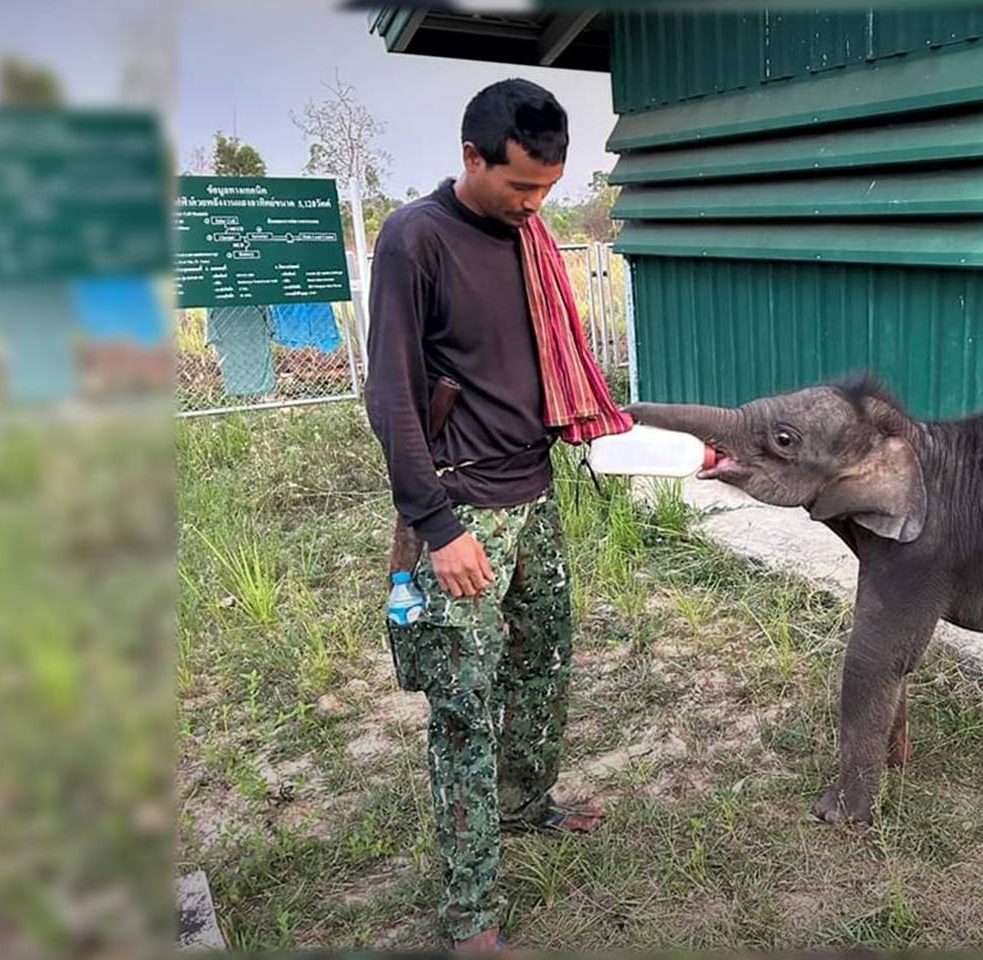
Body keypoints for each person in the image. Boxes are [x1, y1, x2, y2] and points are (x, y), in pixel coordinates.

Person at [363, 77, 625, 950]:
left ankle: (524, 806)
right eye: (520, 186)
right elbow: (392, 397)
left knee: (545, 666)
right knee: (464, 707)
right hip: (464, 504)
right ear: (471, 156)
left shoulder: (532, 238)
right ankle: (471, 910)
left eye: (548, 188)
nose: (534, 204)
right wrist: (437, 530)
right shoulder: (416, 239)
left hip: (535, 494)